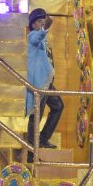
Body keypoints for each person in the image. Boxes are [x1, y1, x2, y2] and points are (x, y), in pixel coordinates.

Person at [25, 9, 63, 149]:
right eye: (39, 21)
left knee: (58, 106)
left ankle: (42, 139)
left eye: (43, 21)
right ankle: (31, 147)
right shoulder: (32, 36)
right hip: (39, 83)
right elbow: (36, 38)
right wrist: (44, 29)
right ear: (33, 24)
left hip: (47, 82)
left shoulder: (43, 38)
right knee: (36, 114)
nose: (42, 24)